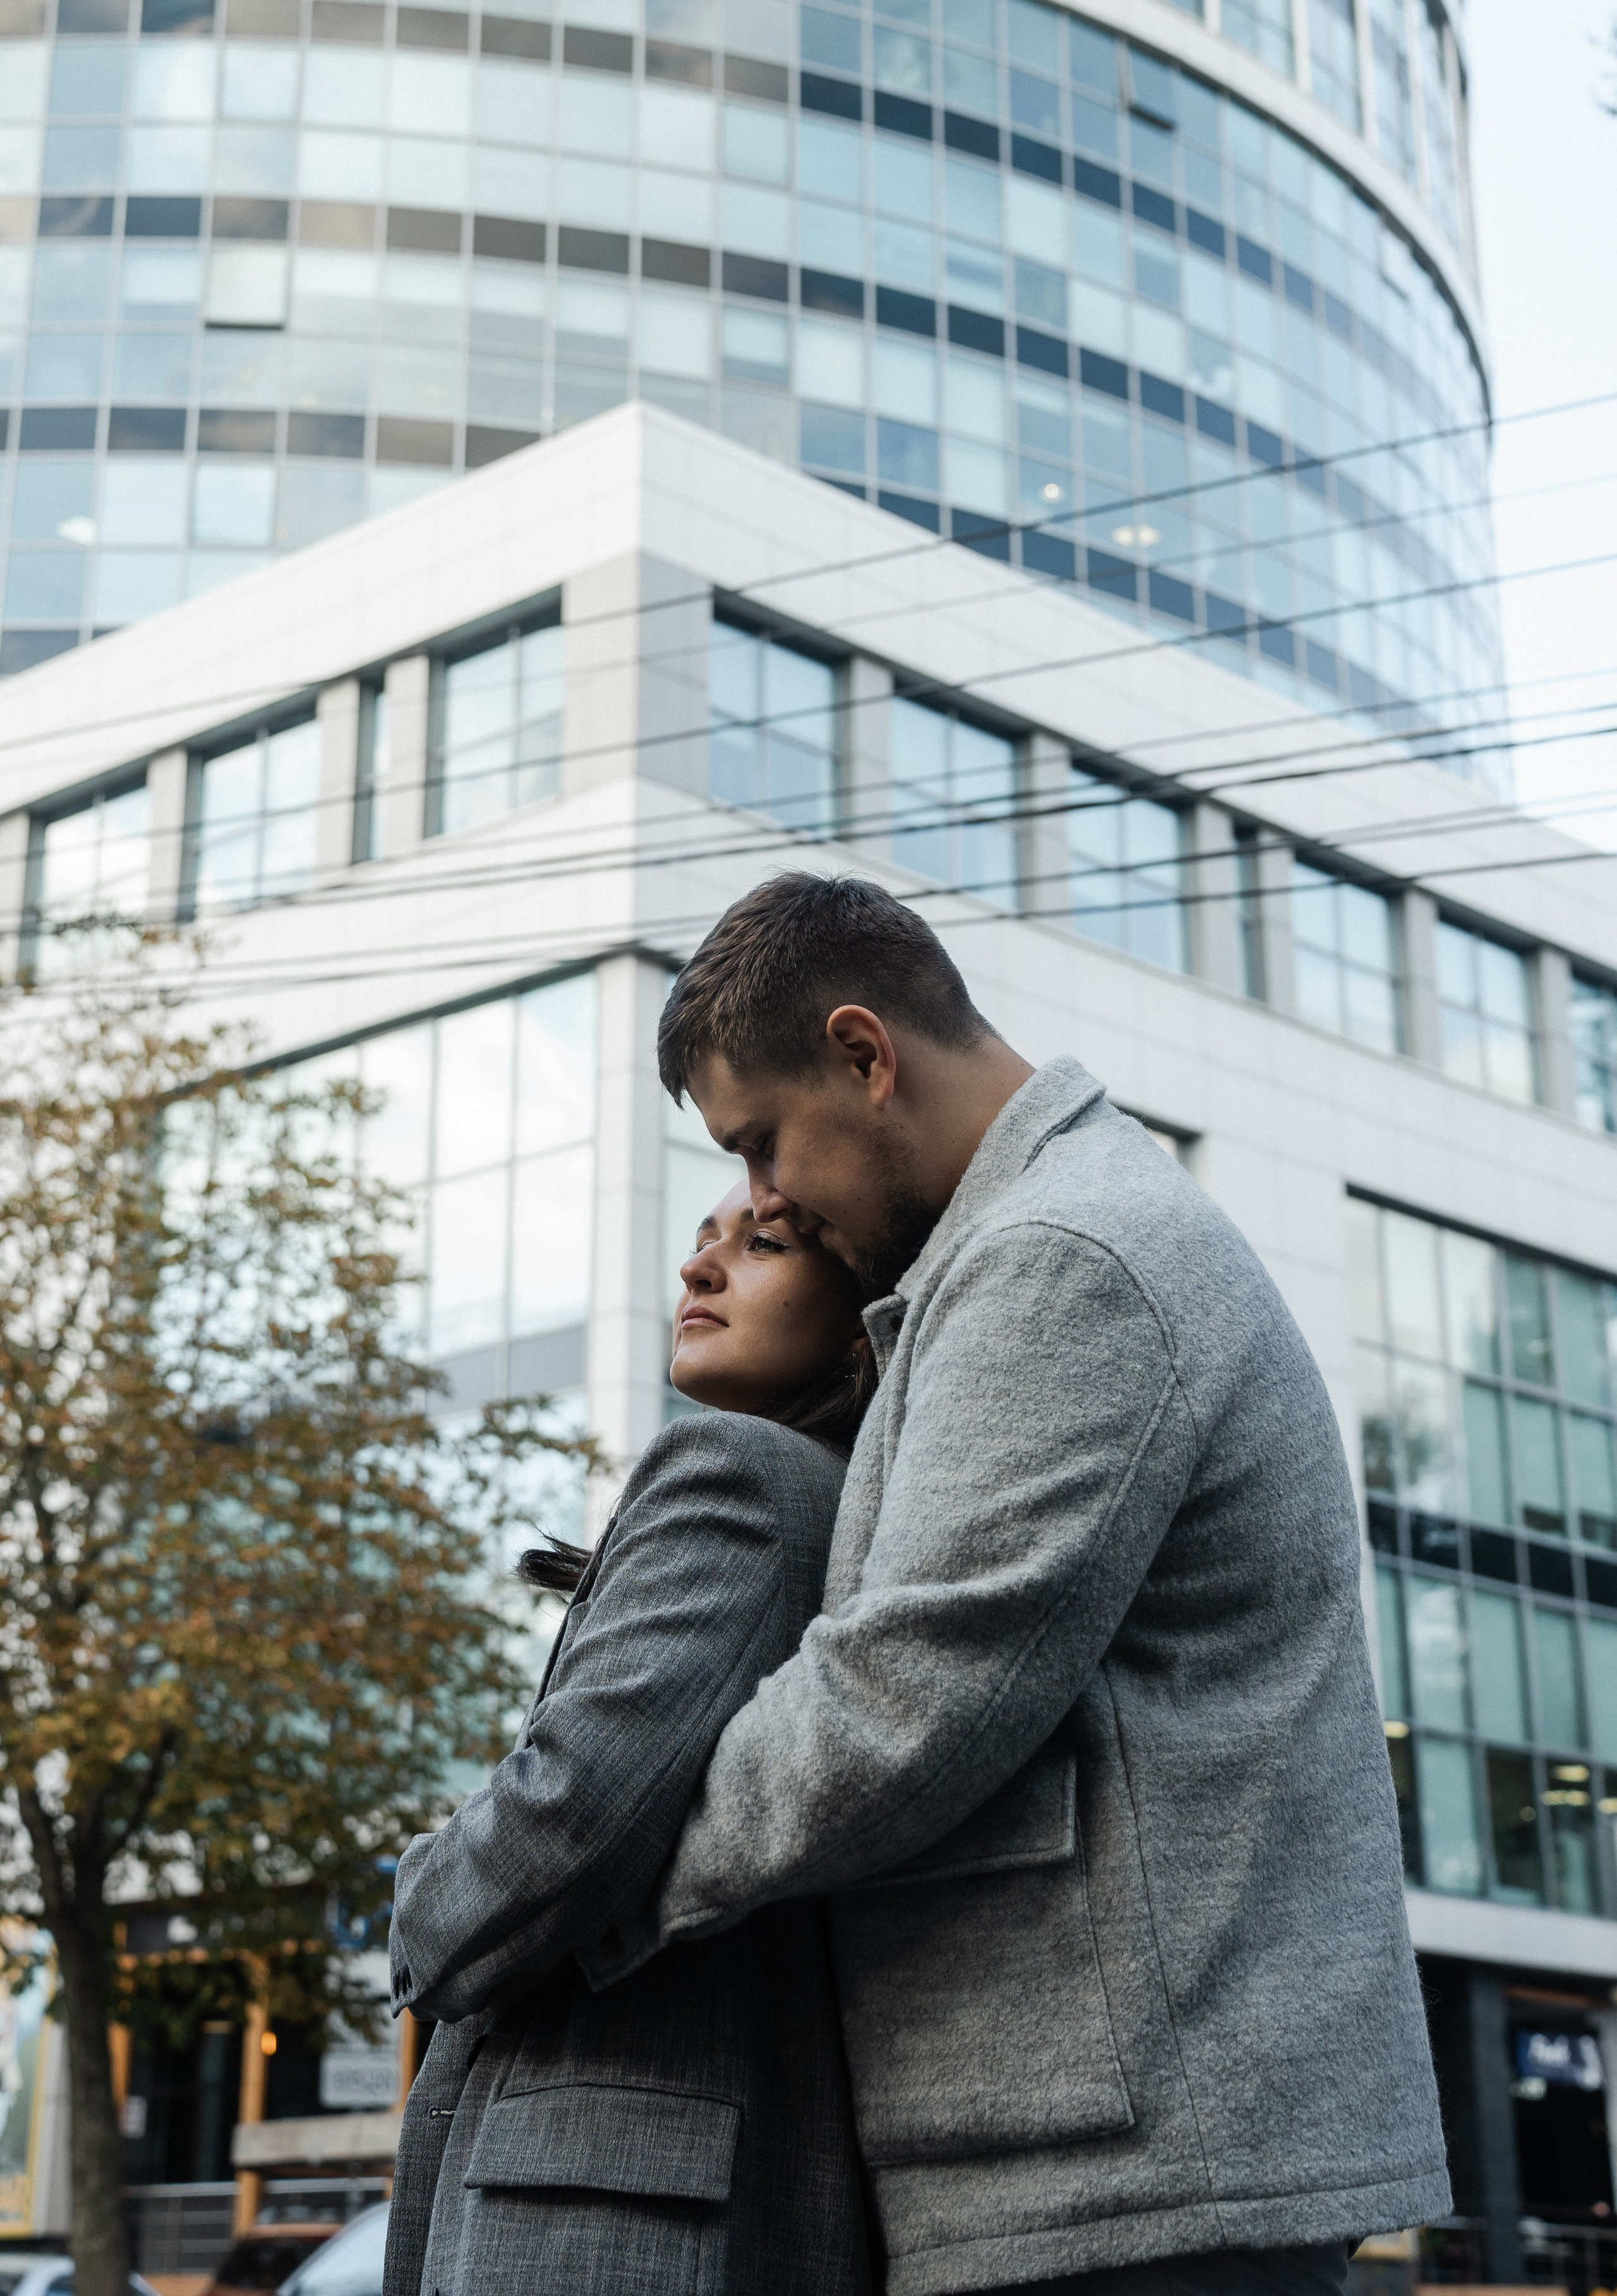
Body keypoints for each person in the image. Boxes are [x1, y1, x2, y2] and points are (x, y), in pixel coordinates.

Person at [576, 871, 1450, 2296]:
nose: (760, 1198)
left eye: (761, 1146)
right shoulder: (1027, 1244)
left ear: (864, 1056)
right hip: (1113, 2150)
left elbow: (899, 1702)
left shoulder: (1062, 1256)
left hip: (1140, 2178)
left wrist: (583, 1884)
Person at [382, 1184, 877, 2296]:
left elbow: (570, 1813)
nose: (701, 1270)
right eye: (703, 1242)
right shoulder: (843, 1507)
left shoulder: (736, 1471)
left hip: (604, 2209)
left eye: (764, 1244)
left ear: (861, 1317)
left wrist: (420, 1894)